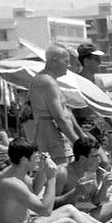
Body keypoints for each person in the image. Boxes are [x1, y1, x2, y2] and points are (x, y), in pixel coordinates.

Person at [0, 138, 112, 223]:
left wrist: (42, 170)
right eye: (35, 157)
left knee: (69, 209)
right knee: (67, 222)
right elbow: (45, 210)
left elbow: (33, 191)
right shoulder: (10, 182)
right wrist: (51, 178)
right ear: (24, 160)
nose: (38, 159)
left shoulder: (20, 176)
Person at [30, 43, 86, 197]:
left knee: (44, 171)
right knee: (62, 171)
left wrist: (79, 136)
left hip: (47, 131)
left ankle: (31, 205)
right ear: (54, 60)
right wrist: (78, 143)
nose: (68, 65)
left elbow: (65, 114)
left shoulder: (46, 80)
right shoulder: (47, 82)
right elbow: (60, 117)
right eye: (66, 61)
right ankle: (61, 207)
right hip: (51, 132)